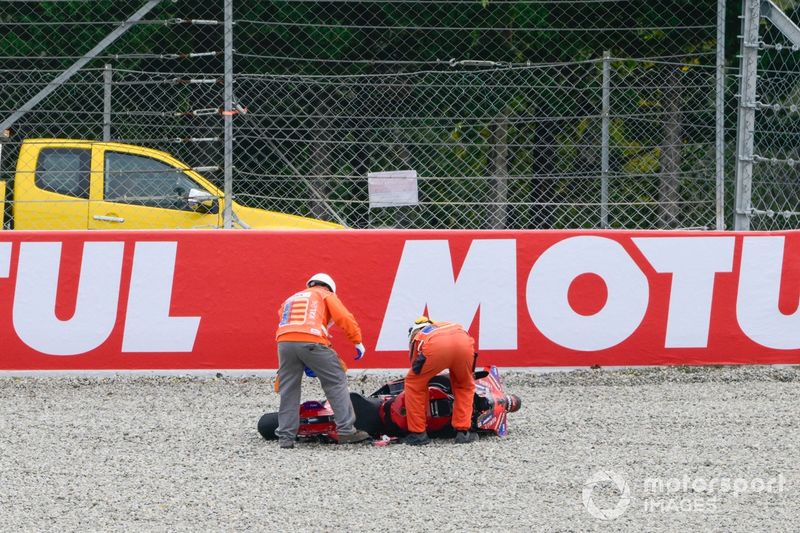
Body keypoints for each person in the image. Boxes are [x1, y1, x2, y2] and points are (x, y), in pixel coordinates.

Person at [274, 273, 369, 449]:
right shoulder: (325, 294)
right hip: (312, 341)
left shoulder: (292, 298)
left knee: (289, 388)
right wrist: (357, 341)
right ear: (329, 287)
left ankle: (286, 437)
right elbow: (344, 318)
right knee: (336, 380)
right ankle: (347, 431)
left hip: (284, 343)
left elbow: (286, 319)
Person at [404, 316, 478, 446]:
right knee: (465, 385)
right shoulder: (446, 324)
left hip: (435, 347)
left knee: (414, 384)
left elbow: (416, 369)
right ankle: (464, 432)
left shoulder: (418, 336)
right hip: (464, 343)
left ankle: (418, 434)